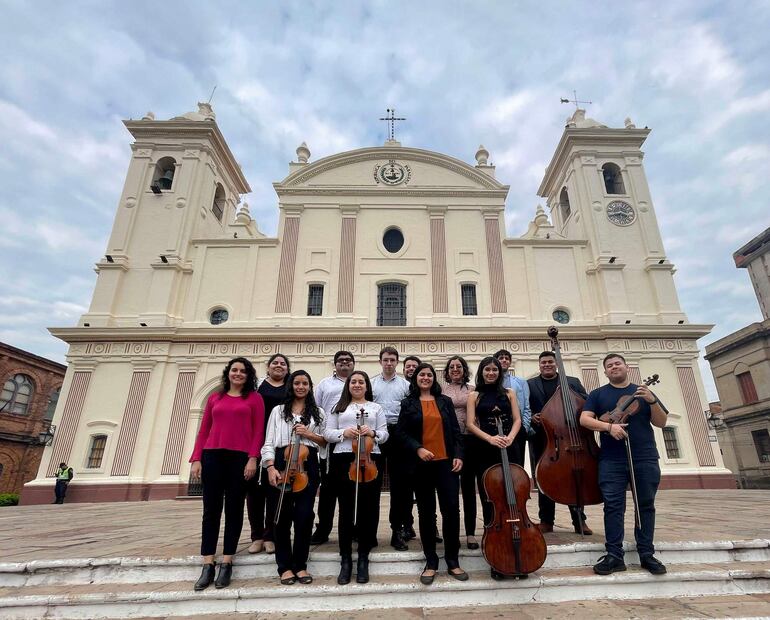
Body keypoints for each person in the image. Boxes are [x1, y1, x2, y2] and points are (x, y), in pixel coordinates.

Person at [580, 353, 669, 576]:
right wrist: (609, 428)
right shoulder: (598, 394)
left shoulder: (644, 393)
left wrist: (651, 400)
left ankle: (647, 554)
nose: (614, 367)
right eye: (609, 366)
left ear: (626, 366)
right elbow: (585, 419)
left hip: (645, 456)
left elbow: (661, 422)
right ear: (605, 371)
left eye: (617, 363)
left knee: (645, 505)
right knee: (612, 506)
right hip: (611, 458)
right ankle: (614, 555)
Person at [189, 357, 265, 591]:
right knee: (210, 512)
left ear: (248, 375)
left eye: (243, 371)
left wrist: (253, 458)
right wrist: (196, 458)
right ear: (228, 373)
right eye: (234, 370)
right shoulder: (215, 398)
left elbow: (258, 431)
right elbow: (204, 430)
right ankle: (208, 562)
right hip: (212, 456)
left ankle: (227, 561)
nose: (238, 374)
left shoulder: (254, 398)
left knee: (234, 510)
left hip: (240, 459)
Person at [396, 363, 468, 585]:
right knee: (427, 514)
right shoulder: (408, 403)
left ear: (433, 379)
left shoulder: (444, 401)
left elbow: (456, 432)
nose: (425, 378)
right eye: (421, 375)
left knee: (451, 512)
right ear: (415, 379)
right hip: (421, 465)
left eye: (429, 375)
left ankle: (453, 560)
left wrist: (458, 455)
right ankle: (431, 561)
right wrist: (418, 448)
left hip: (446, 464)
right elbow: (400, 432)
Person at [324, 370, 388, 585]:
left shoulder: (375, 408)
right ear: (348, 385)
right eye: (354, 382)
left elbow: (384, 434)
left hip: (370, 459)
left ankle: (363, 557)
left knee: (367, 509)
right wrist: (345, 433)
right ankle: (345, 560)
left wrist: (372, 433)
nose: (358, 385)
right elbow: (327, 434)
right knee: (346, 509)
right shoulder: (338, 408)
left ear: (367, 386)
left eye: (361, 382)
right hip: (344, 459)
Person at [262, 370, 326, 585]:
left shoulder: (318, 413)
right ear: (291, 386)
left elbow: (324, 442)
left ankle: (300, 565)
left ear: (310, 387)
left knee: (305, 515)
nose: (301, 387)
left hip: (308, 463)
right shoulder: (278, 411)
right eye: (297, 383)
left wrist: (308, 433)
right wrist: (270, 467)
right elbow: (269, 441)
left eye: (305, 383)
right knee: (281, 514)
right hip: (282, 461)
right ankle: (284, 567)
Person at [466, 356, 522, 580]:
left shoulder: (510, 393)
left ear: (500, 372)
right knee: (490, 500)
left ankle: (519, 548)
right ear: (482, 372)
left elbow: (517, 419)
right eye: (487, 370)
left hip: (510, 446)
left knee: (514, 497)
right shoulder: (474, 395)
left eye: (494, 370)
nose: (491, 373)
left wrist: (509, 437)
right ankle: (496, 556)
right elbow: (470, 424)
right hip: (486, 449)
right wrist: (490, 439)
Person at [528, 350, 592, 534]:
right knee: (543, 478)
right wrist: (532, 416)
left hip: (570, 438)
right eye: (543, 363)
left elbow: (586, 402)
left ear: (556, 363)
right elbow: (526, 406)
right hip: (543, 438)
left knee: (574, 477)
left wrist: (570, 395)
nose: (546, 365)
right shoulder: (531, 384)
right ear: (539, 365)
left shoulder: (572, 382)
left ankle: (579, 520)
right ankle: (546, 520)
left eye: (550, 362)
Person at [310, 350, 355, 545]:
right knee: (328, 489)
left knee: (352, 488)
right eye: (341, 361)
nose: (344, 363)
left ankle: (352, 528)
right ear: (335, 364)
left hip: (352, 442)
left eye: (348, 360)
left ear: (353, 364)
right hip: (329, 441)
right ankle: (323, 529)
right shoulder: (324, 385)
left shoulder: (358, 382)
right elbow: (316, 409)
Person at [247, 353, 290, 555]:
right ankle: (256, 536)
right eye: (275, 363)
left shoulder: (290, 390)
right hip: (256, 442)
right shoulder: (257, 387)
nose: (279, 366)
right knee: (254, 493)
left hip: (279, 445)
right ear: (268, 367)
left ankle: (270, 535)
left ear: (287, 369)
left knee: (274, 493)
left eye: (282, 363)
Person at [371, 346, 411, 551]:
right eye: (385, 359)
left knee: (399, 486)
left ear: (397, 362)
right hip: (377, 435)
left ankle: (398, 531)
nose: (389, 363)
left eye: (392, 360)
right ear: (380, 361)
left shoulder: (406, 385)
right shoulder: (371, 383)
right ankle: (369, 532)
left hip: (398, 434)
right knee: (373, 484)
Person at [442, 356, 479, 550]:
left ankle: (471, 533)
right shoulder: (441, 391)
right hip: (449, 443)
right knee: (450, 490)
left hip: (470, 441)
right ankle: (452, 533)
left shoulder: (473, 390)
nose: (455, 369)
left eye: (459, 366)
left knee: (468, 490)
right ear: (447, 371)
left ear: (464, 370)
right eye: (452, 367)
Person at [494, 349, 532, 468]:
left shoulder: (520, 382)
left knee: (517, 463)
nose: (504, 360)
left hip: (517, 427)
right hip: (496, 427)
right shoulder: (490, 381)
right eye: (501, 358)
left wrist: (524, 427)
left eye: (507, 358)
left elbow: (526, 407)